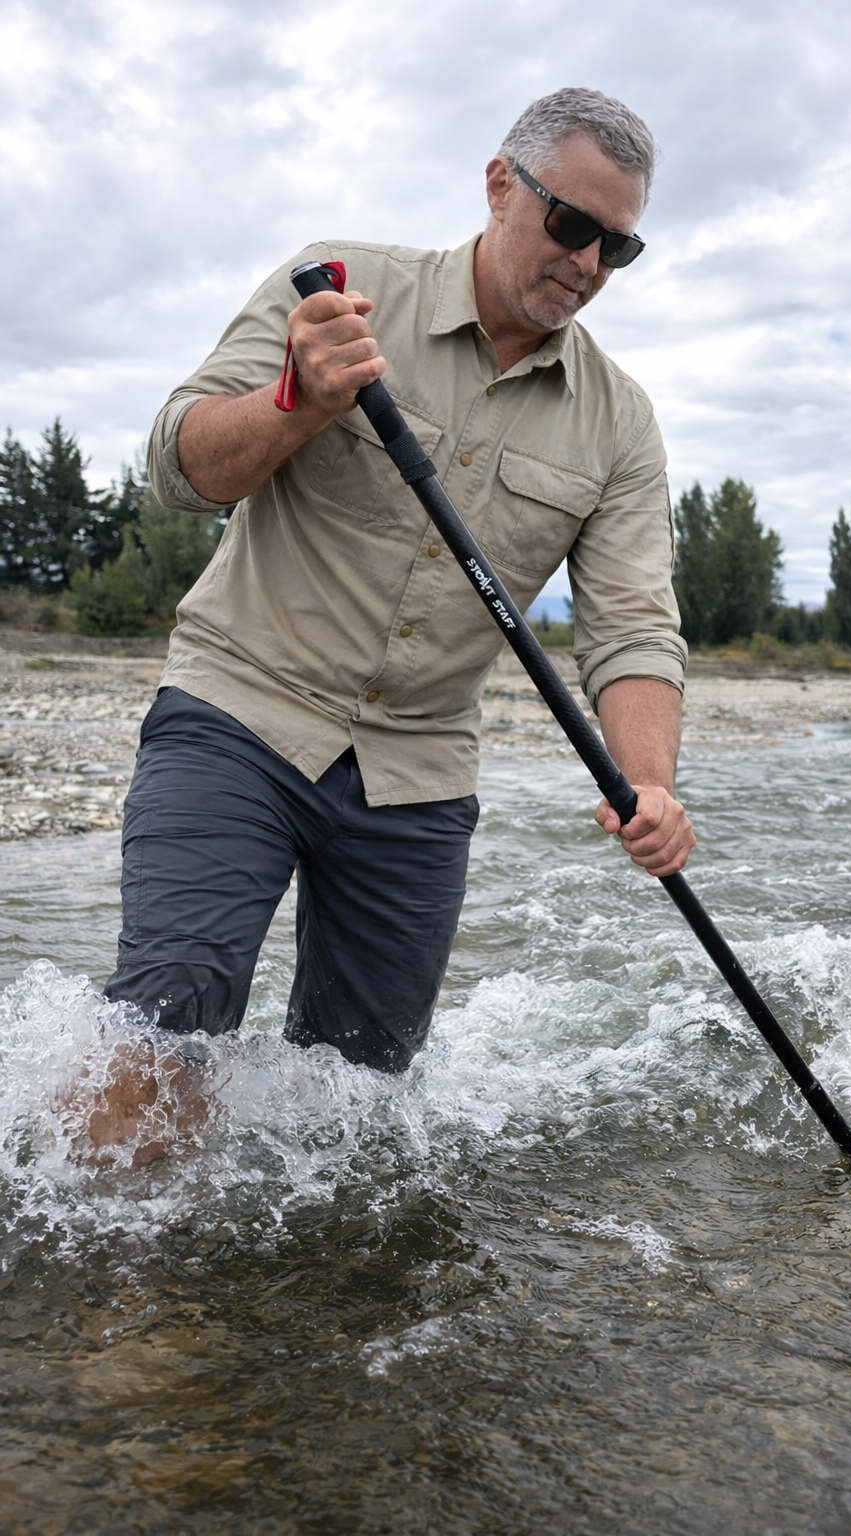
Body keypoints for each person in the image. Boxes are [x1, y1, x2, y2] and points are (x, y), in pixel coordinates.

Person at [102, 86, 695, 1081]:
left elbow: (632, 626)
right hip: (239, 711)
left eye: (618, 247)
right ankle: (115, 1235)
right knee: (160, 1042)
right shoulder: (338, 287)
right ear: (501, 185)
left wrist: (650, 782)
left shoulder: (621, 421)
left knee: (365, 1104)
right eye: (571, 225)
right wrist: (295, 401)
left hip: (419, 778)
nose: (589, 265)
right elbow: (178, 466)